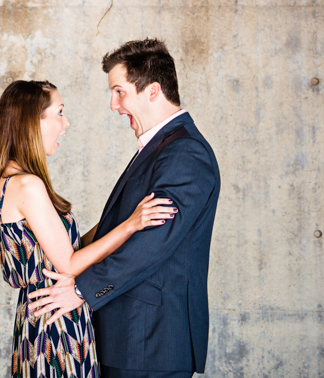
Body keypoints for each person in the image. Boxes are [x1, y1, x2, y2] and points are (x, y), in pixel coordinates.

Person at [28, 39, 221, 378]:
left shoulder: (184, 153)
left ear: (152, 91)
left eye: (120, 92)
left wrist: (79, 290)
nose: (114, 105)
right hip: (132, 338)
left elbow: (153, 242)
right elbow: (118, 227)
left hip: (149, 341)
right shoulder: (162, 147)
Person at [0, 80, 176, 378]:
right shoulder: (27, 185)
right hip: (56, 327)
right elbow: (69, 264)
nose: (66, 123)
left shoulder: (12, 180)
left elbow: (69, 249)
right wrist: (130, 225)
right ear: (33, 121)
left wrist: (120, 217)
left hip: (46, 319)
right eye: (59, 113)